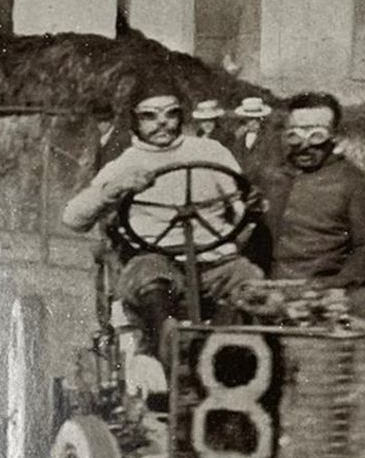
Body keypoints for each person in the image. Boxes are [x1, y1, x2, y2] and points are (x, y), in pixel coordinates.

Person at [61, 77, 262, 355]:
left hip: (215, 262)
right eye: (149, 116)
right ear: (134, 121)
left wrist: (250, 208)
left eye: (171, 113)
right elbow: (73, 218)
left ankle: (228, 355)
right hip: (157, 263)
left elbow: (239, 204)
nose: (162, 122)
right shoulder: (124, 165)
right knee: (149, 274)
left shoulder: (211, 152)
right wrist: (115, 189)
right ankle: (170, 344)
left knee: (247, 276)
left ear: (182, 116)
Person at [259, 91, 365, 322]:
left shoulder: (355, 182)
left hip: (328, 288)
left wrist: (335, 286)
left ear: (334, 137)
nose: (304, 146)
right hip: (273, 288)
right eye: (295, 135)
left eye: (316, 135)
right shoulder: (272, 177)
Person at [229, 95, 276, 175]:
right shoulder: (239, 138)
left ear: (262, 119)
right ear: (244, 119)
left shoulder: (270, 138)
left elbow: (272, 164)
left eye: (256, 119)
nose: (253, 122)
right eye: (249, 119)